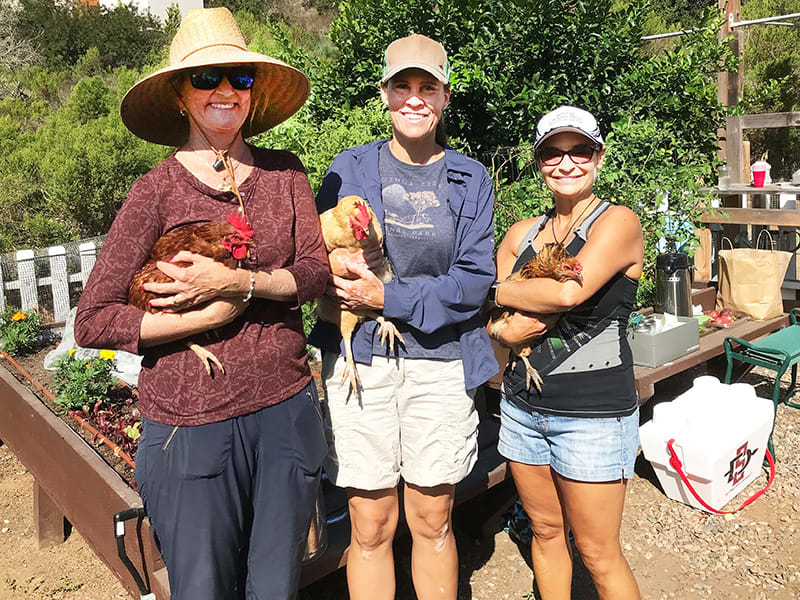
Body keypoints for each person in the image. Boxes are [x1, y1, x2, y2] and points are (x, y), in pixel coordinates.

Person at [74, 8, 329, 600]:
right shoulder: (155, 189)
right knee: (203, 590)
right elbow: (92, 318)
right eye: (206, 77)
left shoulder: (286, 173)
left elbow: (313, 272)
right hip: (191, 430)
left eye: (239, 78)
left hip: (285, 409)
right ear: (179, 93)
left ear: (253, 92)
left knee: (275, 588)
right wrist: (201, 317)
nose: (224, 91)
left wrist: (241, 286)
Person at [309, 34, 497, 600]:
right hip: (361, 359)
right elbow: (320, 250)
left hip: (440, 361)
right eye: (402, 86)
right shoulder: (350, 168)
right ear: (385, 94)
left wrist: (386, 299)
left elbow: (472, 284)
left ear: (444, 99)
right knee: (370, 525)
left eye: (428, 87)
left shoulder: (470, 179)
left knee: (432, 519)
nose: (415, 98)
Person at [490, 106, 642, 600]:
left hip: (593, 416)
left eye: (579, 150)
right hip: (522, 408)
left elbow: (566, 294)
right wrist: (501, 315)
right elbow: (496, 326)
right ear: (539, 164)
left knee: (599, 554)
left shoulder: (617, 223)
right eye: (553, 153)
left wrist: (498, 292)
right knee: (546, 532)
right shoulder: (520, 234)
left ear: (598, 157)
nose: (567, 162)